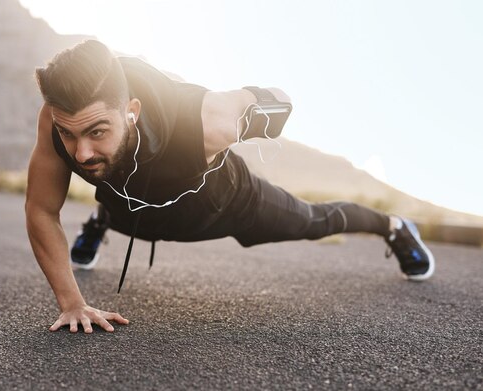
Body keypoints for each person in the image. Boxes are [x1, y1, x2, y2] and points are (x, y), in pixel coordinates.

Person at [25, 40, 435, 334]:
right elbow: (43, 209)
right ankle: (103, 219)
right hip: (132, 208)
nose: (80, 153)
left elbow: (278, 97)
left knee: (313, 221)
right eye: (68, 134)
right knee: (118, 199)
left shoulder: (207, 120)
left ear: (131, 112)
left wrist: (263, 105)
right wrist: (73, 303)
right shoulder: (57, 119)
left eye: (97, 131)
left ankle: (394, 226)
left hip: (225, 202)